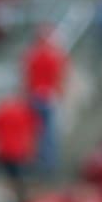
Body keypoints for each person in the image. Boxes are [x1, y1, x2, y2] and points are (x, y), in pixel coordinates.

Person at [21, 23, 69, 175]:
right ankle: (49, 164)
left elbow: (26, 78)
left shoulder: (31, 55)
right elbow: (60, 77)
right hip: (48, 96)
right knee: (48, 133)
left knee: (40, 133)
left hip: (35, 95)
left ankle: (43, 163)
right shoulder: (54, 55)